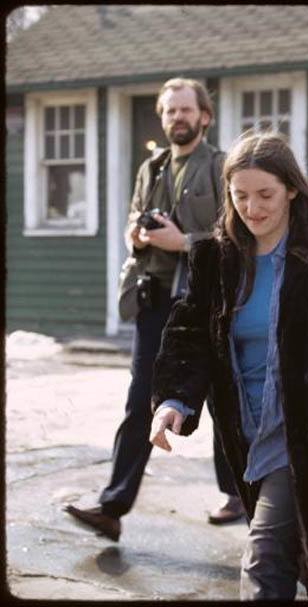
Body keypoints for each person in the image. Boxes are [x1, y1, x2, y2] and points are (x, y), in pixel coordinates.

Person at [147, 132, 308, 599]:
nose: (252, 208)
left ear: (292, 189)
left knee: (265, 562)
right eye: (240, 195)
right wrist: (174, 399)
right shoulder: (214, 257)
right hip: (245, 432)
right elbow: (188, 332)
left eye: (265, 194)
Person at [64, 78, 243, 541]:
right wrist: (138, 235)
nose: (177, 118)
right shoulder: (151, 167)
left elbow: (238, 237)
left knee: (224, 396)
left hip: (209, 300)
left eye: (186, 110)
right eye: (169, 111)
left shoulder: (222, 166)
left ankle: (240, 495)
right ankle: (112, 506)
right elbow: (133, 218)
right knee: (140, 397)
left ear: (205, 116)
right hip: (155, 298)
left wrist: (184, 242)